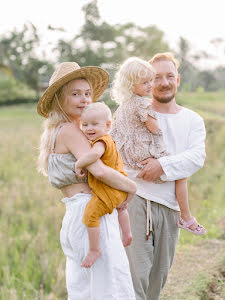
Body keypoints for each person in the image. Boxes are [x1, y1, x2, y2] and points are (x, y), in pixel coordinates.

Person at [37, 62, 136, 299]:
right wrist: (131, 186)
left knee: (84, 288)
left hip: (74, 216)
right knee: (109, 285)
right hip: (90, 213)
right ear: (60, 99)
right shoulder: (71, 131)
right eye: (75, 94)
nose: (84, 99)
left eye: (87, 93)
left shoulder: (55, 131)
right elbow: (99, 171)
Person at [111, 53, 206, 300]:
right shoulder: (131, 111)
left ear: (178, 79)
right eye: (155, 78)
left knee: (158, 280)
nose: (162, 83)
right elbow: (111, 146)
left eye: (169, 76)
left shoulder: (192, 119)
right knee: (135, 278)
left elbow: (196, 157)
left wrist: (161, 165)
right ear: (144, 81)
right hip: (136, 200)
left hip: (171, 206)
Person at [74, 102, 133, 268]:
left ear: (108, 125)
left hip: (109, 190)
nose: (89, 128)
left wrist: (79, 164)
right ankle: (127, 233)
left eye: (94, 124)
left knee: (90, 215)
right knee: (122, 208)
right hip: (120, 189)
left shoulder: (100, 142)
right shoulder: (110, 140)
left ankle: (94, 249)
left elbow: (94, 155)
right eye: (84, 124)